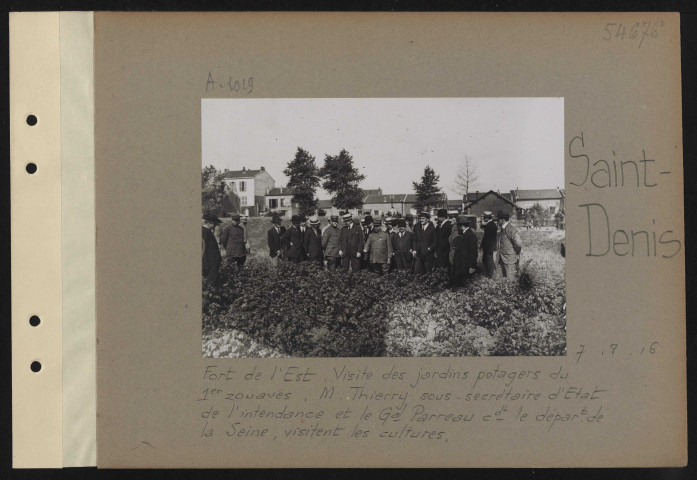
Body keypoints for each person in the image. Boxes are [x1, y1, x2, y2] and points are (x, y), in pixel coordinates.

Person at [450, 215, 478, 287]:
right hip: (460, 265)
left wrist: (472, 266)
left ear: (461, 226)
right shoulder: (464, 234)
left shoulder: (471, 235)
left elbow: (473, 252)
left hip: (465, 266)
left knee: (463, 286)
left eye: (458, 226)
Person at [496, 210, 522, 279]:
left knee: (510, 281)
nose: (497, 221)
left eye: (498, 220)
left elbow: (519, 243)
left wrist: (514, 253)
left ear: (502, 220)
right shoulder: (502, 229)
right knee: (498, 280)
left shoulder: (511, 229)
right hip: (501, 258)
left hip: (509, 260)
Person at [202, 213, 222, 286]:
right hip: (209, 264)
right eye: (215, 223)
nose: (216, 225)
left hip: (212, 263)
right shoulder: (204, 232)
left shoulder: (207, 231)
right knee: (210, 284)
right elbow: (203, 249)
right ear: (209, 222)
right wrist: (205, 264)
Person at [480, 211, 498, 278]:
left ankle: (490, 275)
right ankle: (492, 273)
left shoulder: (488, 225)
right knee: (488, 260)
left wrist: (481, 245)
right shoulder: (493, 224)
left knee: (487, 261)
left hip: (488, 247)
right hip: (491, 246)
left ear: (487, 218)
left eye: (484, 217)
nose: (484, 219)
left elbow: (486, 237)